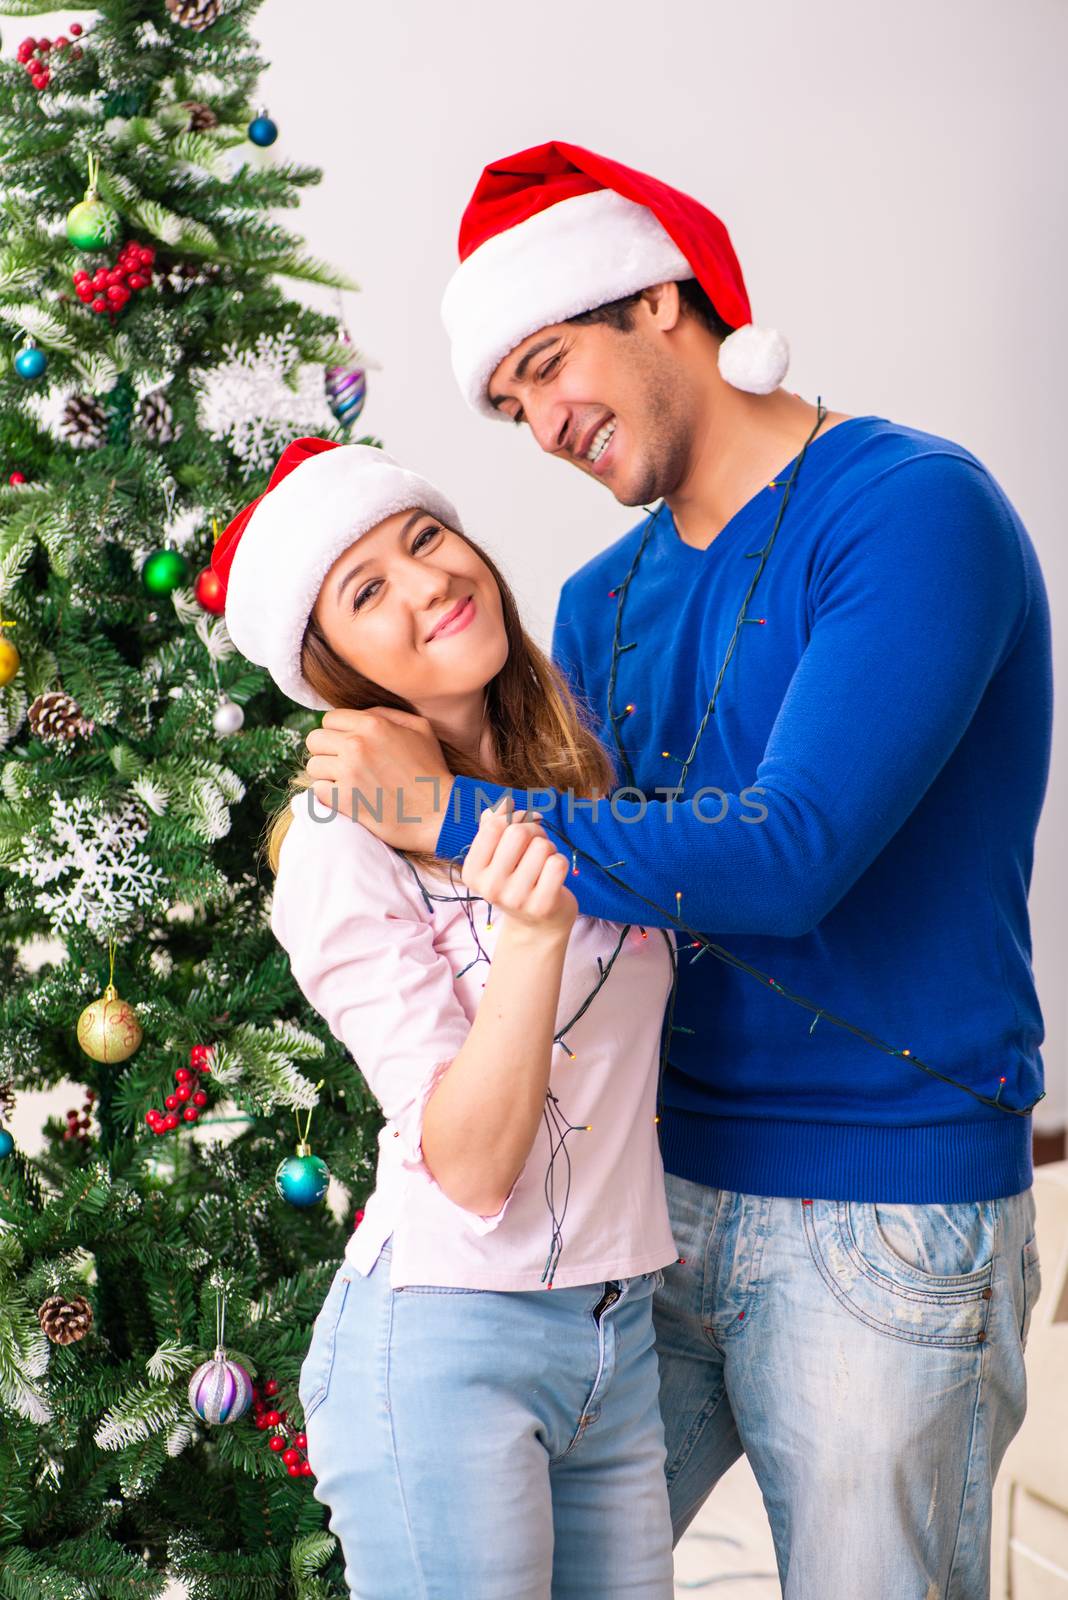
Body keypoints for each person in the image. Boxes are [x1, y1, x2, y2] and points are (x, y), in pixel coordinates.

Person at [303, 143, 1053, 1598]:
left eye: (548, 363)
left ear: (658, 302)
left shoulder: (908, 511)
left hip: (880, 1211)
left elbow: (787, 858)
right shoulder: (602, 599)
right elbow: (556, 917)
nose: (542, 423)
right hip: (636, 1213)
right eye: (510, 404)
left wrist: (444, 811)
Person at [209, 435, 681, 1599]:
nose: (427, 583)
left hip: (615, 1338)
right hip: (447, 1348)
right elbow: (469, 1170)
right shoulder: (337, 845)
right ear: (335, 669)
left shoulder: (576, 773)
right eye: (368, 590)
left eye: (426, 539)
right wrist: (528, 939)